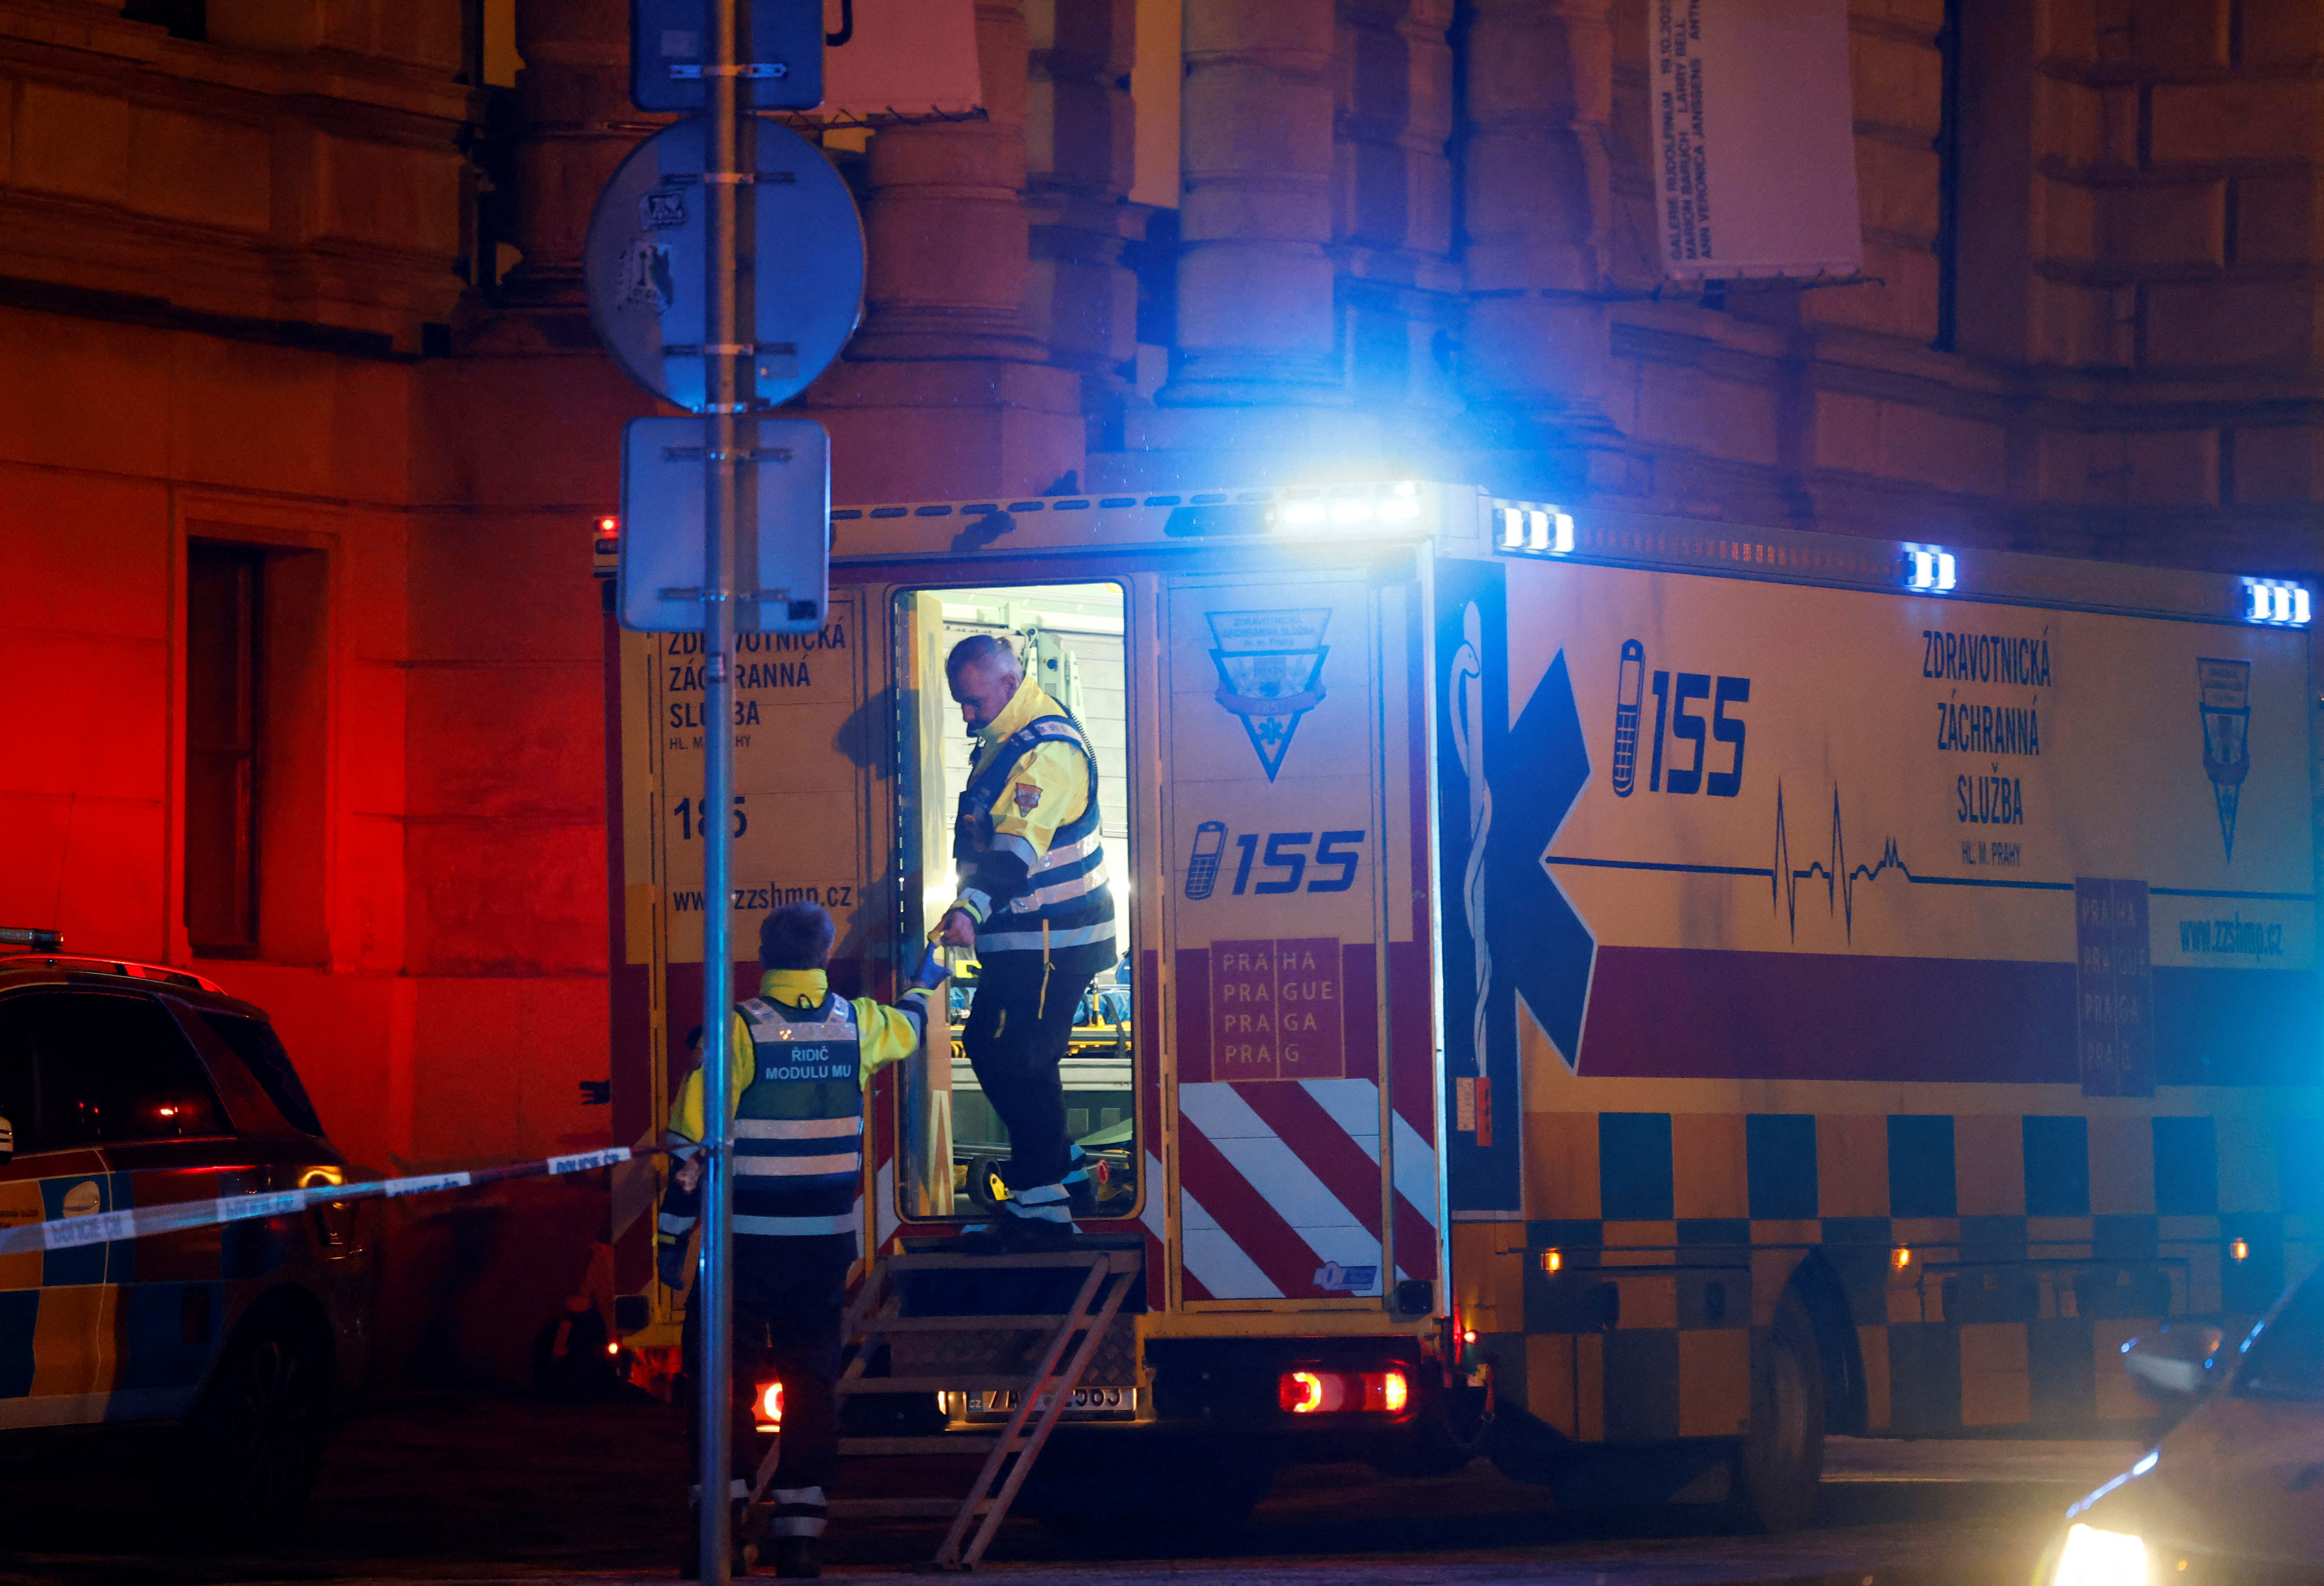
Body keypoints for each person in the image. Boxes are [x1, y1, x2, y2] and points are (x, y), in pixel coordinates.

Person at [657, 901, 948, 1579]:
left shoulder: (737, 1033)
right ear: (823, 956)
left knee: (719, 1379)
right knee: (811, 1380)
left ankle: (720, 1522)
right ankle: (799, 1535)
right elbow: (910, 1020)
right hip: (822, 1248)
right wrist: (934, 966)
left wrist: (671, 1243)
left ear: (764, 955)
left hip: (743, 1249)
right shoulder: (856, 1024)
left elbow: (688, 1153)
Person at [935, 633, 1116, 1252]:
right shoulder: (1014, 741)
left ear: (1009, 686)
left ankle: (1045, 1208)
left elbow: (1017, 849)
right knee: (994, 1045)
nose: (966, 713)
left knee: (1020, 1058)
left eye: (973, 700)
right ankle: (1060, 1165)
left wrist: (969, 908)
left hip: (1052, 939)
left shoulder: (1046, 755)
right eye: (960, 702)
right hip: (1032, 940)